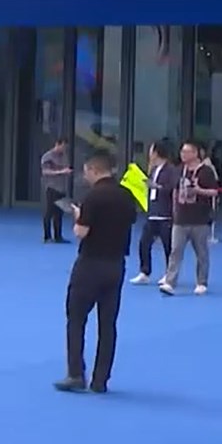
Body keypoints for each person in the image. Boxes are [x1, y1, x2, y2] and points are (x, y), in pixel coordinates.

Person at [54, 150, 141, 393]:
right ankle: (101, 379)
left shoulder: (93, 197)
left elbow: (81, 232)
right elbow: (131, 220)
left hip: (91, 262)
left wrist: (79, 216)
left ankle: (75, 373)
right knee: (108, 323)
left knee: (76, 318)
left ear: (93, 170)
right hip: (116, 264)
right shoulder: (126, 195)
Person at [159, 140, 218, 296]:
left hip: (200, 218)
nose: (183, 155)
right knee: (175, 251)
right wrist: (174, 211)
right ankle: (170, 282)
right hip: (181, 218)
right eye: (182, 152)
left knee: (201, 253)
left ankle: (201, 282)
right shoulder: (179, 170)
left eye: (187, 152)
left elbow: (214, 192)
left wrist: (199, 190)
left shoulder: (206, 171)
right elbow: (175, 191)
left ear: (195, 153)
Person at [131, 140, 178, 284]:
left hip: (165, 213)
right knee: (144, 243)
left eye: (151, 151)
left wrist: (156, 186)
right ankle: (144, 272)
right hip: (152, 212)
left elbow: (172, 188)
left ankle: (169, 274)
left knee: (168, 246)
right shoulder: (153, 169)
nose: (149, 154)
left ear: (157, 153)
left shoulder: (170, 169)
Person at [40, 137, 73, 244]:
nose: (64, 149)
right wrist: (61, 172)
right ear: (57, 144)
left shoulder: (64, 156)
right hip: (51, 187)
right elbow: (45, 172)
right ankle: (47, 236)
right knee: (49, 212)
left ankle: (58, 236)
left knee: (59, 213)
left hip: (62, 188)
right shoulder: (47, 157)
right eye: (63, 146)